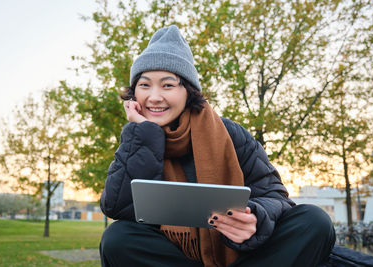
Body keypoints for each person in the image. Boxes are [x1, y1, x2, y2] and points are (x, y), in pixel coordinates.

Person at [99, 25, 335, 267]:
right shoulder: (137, 137)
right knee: (117, 239)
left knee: (313, 220)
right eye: (145, 85)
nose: (155, 96)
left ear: (188, 91)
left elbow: (274, 194)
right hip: (174, 257)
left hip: (242, 255)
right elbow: (118, 207)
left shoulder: (231, 133)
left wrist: (254, 218)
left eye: (168, 85)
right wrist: (144, 133)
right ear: (134, 94)